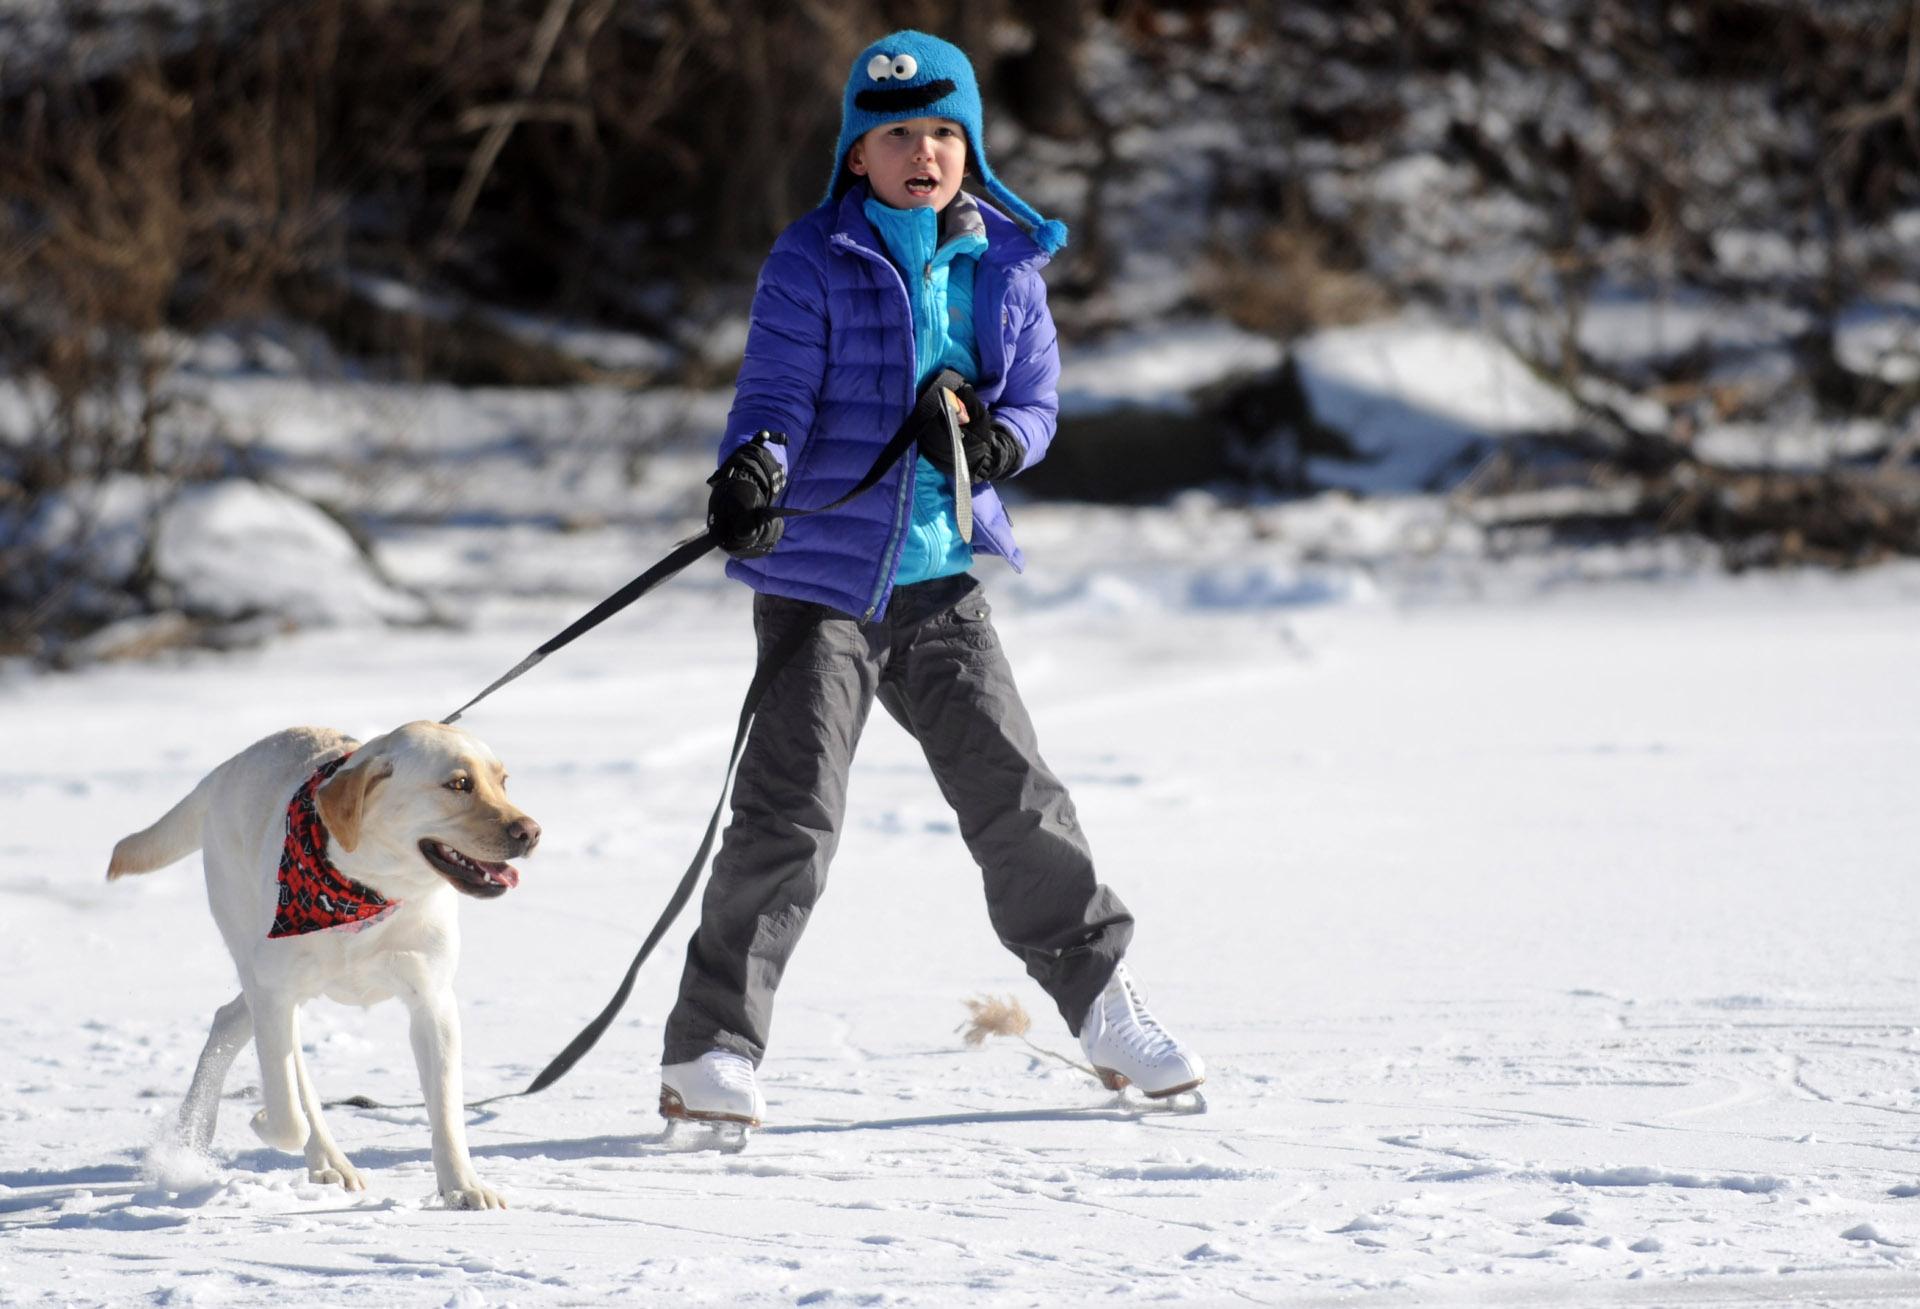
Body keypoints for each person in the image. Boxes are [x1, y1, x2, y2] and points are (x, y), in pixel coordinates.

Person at [659, 30, 1203, 1127]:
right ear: (857, 155)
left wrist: (1002, 443)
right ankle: (710, 1049)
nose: (924, 151)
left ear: (972, 148)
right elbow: (775, 390)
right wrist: (755, 468)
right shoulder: (812, 258)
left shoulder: (1005, 260)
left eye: (946, 132)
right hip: (820, 587)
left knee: (1016, 797)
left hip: (941, 583)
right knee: (788, 817)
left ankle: (1104, 1005)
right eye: (898, 132)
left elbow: (1036, 401)